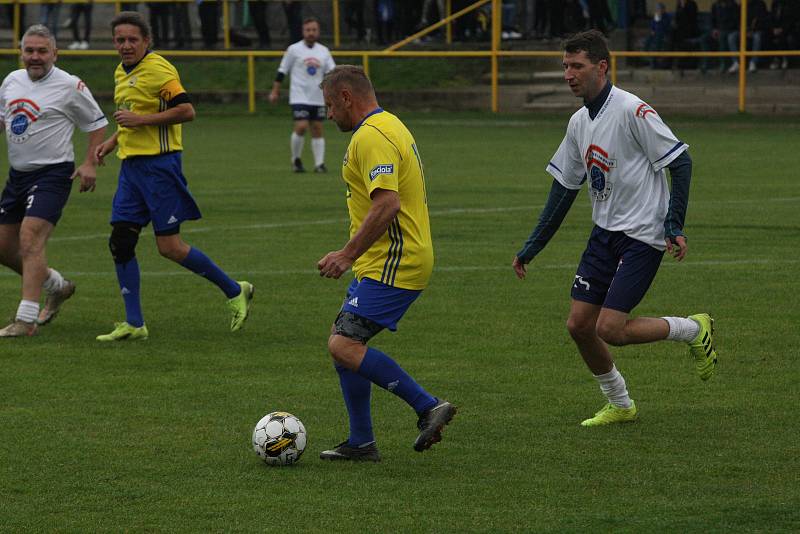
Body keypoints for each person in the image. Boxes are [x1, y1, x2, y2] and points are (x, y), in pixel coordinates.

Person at [512, 30, 717, 427]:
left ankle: (693, 329)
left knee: (612, 328)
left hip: (642, 235)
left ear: (601, 67)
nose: (569, 74)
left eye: (577, 66)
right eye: (565, 67)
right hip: (604, 234)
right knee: (579, 325)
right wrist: (532, 246)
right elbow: (563, 189)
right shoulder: (578, 122)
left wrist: (674, 224)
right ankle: (620, 403)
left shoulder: (632, 110)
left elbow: (681, 163)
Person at [317, 65, 456, 461]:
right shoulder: (389, 124)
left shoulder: (371, 137)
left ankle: (427, 405)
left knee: (344, 344)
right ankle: (361, 441)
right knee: (342, 341)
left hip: (397, 260)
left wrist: (347, 254)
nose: (329, 115)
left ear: (346, 97)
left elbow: (388, 203)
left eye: (330, 105)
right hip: (384, 259)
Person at [94, 12, 253, 341]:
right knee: (120, 241)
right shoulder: (120, 72)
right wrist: (111, 142)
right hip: (131, 167)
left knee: (169, 247)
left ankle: (234, 289)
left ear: (146, 41)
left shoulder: (159, 69)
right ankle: (135, 323)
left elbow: (187, 110)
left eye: (132, 40)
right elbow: (130, 119)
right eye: (120, 40)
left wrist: (140, 121)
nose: (125, 45)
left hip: (160, 168)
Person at [0, 24, 107, 337]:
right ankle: (56, 286)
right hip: (17, 175)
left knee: (30, 238)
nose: (35, 57)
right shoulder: (11, 80)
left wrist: (90, 162)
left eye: (42, 51)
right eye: (29, 50)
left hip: (53, 173)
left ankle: (26, 320)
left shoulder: (69, 85)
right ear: (21, 53)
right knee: (4, 248)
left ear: (55, 54)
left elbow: (97, 123)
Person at [269, 17, 335, 173]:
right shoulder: (294, 49)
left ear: (318, 32)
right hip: (299, 96)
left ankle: (319, 164)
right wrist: (275, 91)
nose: (311, 33)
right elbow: (282, 71)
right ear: (303, 31)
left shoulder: (324, 51)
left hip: (317, 97)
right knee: (302, 125)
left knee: (317, 128)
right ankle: (296, 160)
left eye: (314, 30)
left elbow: (332, 73)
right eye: (308, 30)